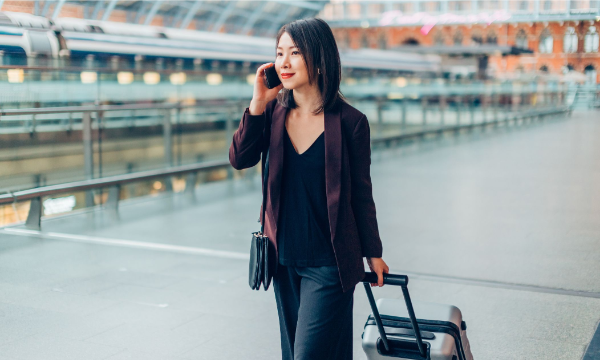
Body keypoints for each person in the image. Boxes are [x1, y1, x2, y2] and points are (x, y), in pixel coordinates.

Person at [229, 18, 389, 360]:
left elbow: (361, 194)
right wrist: (257, 104)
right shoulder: (271, 113)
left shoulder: (350, 122)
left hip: (329, 261)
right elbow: (240, 158)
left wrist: (372, 252)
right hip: (283, 257)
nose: (283, 63)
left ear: (319, 57)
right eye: (279, 53)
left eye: (295, 53)